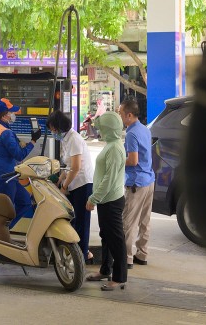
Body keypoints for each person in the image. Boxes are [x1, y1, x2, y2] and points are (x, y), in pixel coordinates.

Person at [85, 111, 128, 291]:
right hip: (107, 200)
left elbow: (108, 179)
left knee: (116, 240)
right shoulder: (111, 144)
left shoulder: (115, 149)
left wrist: (94, 198)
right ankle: (105, 270)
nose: (99, 131)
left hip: (111, 201)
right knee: (107, 237)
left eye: (102, 128)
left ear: (109, 129)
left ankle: (119, 278)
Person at [47, 109, 94, 262]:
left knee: (81, 220)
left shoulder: (74, 139)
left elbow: (76, 167)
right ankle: (77, 252)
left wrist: (64, 187)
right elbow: (68, 166)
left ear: (58, 126)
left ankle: (83, 254)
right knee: (73, 218)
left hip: (82, 183)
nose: (53, 132)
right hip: (74, 182)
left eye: (53, 129)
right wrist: (60, 179)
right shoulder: (65, 138)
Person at [0, 98, 41, 226]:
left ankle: (5, 229)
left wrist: (23, 143)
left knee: (25, 202)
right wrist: (33, 141)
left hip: (6, 175)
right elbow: (18, 154)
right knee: (6, 212)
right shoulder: (5, 132)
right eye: (11, 112)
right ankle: (0, 234)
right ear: (5, 115)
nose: (13, 114)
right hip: (4, 177)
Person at [119, 99, 155, 269]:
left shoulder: (131, 133)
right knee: (144, 221)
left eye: (120, 113)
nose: (119, 116)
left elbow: (133, 160)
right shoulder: (144, 129)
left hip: (136, 183)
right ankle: (142, 254)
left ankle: (126, 258)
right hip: (149, 180)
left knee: (128, 222)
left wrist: (118, 160)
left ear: (129, 115)